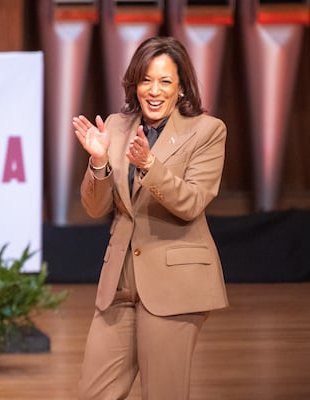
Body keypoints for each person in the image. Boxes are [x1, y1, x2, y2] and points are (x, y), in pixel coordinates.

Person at [72, 36, 229, 400]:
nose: (153, 90)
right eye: (146, 80)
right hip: (119, 285)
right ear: (134, 84)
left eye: (165, 81)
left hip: (174, 284)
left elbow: (191, 202)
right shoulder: (115, 125)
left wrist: (150, 165)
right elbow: (95, 208)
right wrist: (98, 162)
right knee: (93, 393)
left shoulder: (207, 131)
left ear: (182, 88)